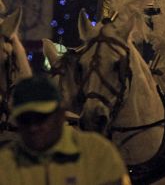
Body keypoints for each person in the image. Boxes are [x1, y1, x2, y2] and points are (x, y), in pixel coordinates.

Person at [0, 75, 129, 185]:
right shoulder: (5, 163)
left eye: (41, 118)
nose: (33, 127)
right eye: (25, 120)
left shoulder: (98, 153)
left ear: (60, 115)